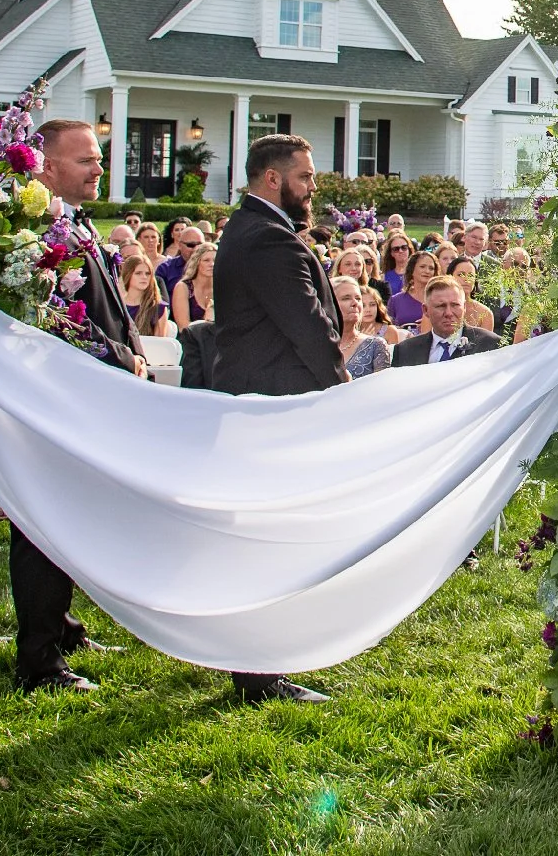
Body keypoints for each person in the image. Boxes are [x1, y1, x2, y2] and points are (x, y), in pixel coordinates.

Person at [10, 118, 145, 693]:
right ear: (46, 166)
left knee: (69, 520)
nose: (99, 167)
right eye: (87, 159)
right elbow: (55, 324)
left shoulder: (79, 224)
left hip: (89, 396)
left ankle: (60, 627)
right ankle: (39, 658)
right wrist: (122, 355)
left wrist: (133, 349)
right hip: (54, 401)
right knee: (43, 524)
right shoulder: (37, 232)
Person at [211, 133, 343, 703]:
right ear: (273, 178)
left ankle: (258, 660)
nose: (313, 187)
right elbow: (308, 326)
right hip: (273, 406)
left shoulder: (252, 230)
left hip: (261, 403)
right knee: (268, 541)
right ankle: (258, 673)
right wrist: (345, 396)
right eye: (305, 177)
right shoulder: (266, 239)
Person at [389, 276, 502, 364]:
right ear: (426, 310)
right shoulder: (405, 351)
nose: (448, 313)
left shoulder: (491, 345)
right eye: (441, 306)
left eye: (455, 305)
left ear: (464, 307)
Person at [334, 276, 392, 379]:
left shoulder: (376, 345)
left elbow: (383, 390)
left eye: (358, 298)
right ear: (330, 303)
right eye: (346, 298)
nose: (355, 303)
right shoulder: (316, 345)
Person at [118, 251, 173, 338]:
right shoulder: (118, 305)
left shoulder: (158, 308)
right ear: (128, 275)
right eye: (138, 273)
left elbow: (160, 344)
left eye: (147, 273)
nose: (144, 277)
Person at [387, 252, 439, 329]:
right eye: (422, 267)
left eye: (431, 268)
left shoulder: (441, 299)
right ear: (412, 270)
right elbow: (388, 328)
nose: (427, 271)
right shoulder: (396, 300)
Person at [170, 243, 216, 327]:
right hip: (190, 338)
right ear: (197, 263)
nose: (212, 264)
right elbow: (183, 327)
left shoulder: (223, 288)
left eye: (215, 260)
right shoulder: (183, 288)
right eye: (206, 260)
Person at [447, 257, 495, 333]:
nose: (466, 279)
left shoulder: (485, 313)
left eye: (470, 275)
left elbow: (487, 343)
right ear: (450, 277)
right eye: (461, 274)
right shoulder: (435, 308)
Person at [156, 224, 202, 297]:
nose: (196, 249)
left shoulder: (212, 267)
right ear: (180, 245)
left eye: (200, 245)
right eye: (191, 245)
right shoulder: (165, 269)